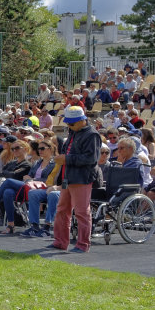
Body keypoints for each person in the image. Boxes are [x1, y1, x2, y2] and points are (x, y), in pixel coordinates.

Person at [51, 105, 102, 253]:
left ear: (82, 121)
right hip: (69, 177)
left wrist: (66, 159)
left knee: (81, 212)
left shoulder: (92, 135)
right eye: (68, 123)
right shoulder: (75, 131)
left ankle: (83, 244)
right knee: (62, 209)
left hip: (81, 178)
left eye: (71, 123)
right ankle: (60, 241)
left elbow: (91, 159)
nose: (68, 125)